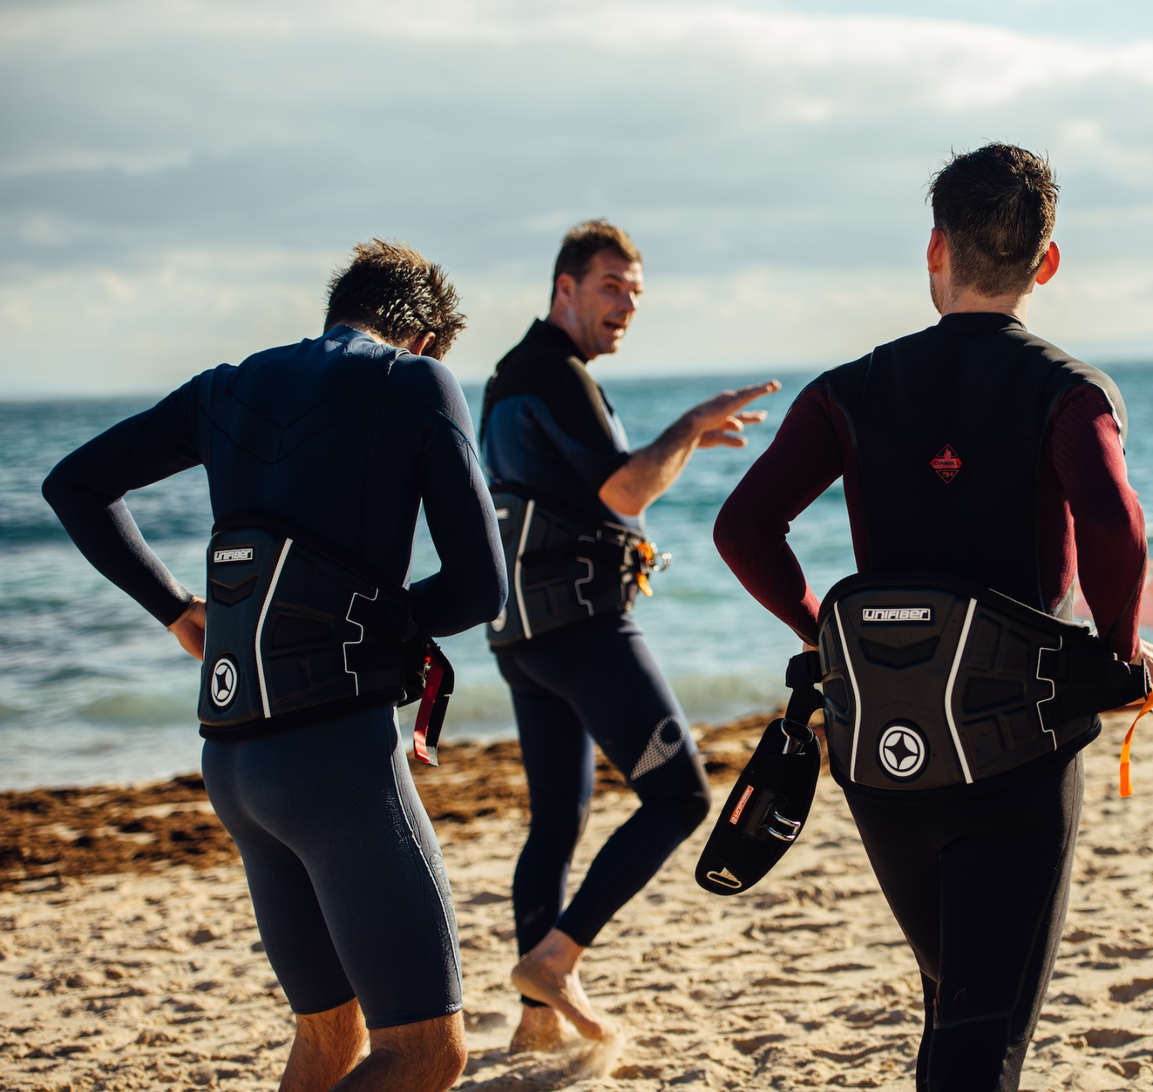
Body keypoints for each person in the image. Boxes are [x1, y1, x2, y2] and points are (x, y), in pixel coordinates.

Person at [714, 145, 1153, 1092]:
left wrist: (823, 635)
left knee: (950, 1002)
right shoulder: (1067, 389)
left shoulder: (849, 389)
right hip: (1018, 746)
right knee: (982, 1035)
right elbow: (1116, 523)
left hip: (885, 754)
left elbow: (744, 528)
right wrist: (1117, 655)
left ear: (936, 249)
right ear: (1046, 263)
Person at [42, 240, 506, 1092]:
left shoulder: (227, 385)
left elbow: (75, 485)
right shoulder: (415, 381)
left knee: (329, 1041)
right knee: (427, 1053)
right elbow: (483, 587)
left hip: (235, 763)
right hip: (336, 764)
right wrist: (390, 626)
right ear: (428, 335)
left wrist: (179, 609)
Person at [478, 219, 778, 1050]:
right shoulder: (559, 372)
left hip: (524, 634)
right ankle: (558, 958)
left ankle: (537, 1023)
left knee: (555, 822)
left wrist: (675, 447)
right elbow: (624, 491)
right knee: (680, 797)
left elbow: (589, 492)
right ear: (564, 288)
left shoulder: (508, 378)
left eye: (636, 294)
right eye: (612, 287)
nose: (626, 307)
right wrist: (690, 424)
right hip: (581, 625)